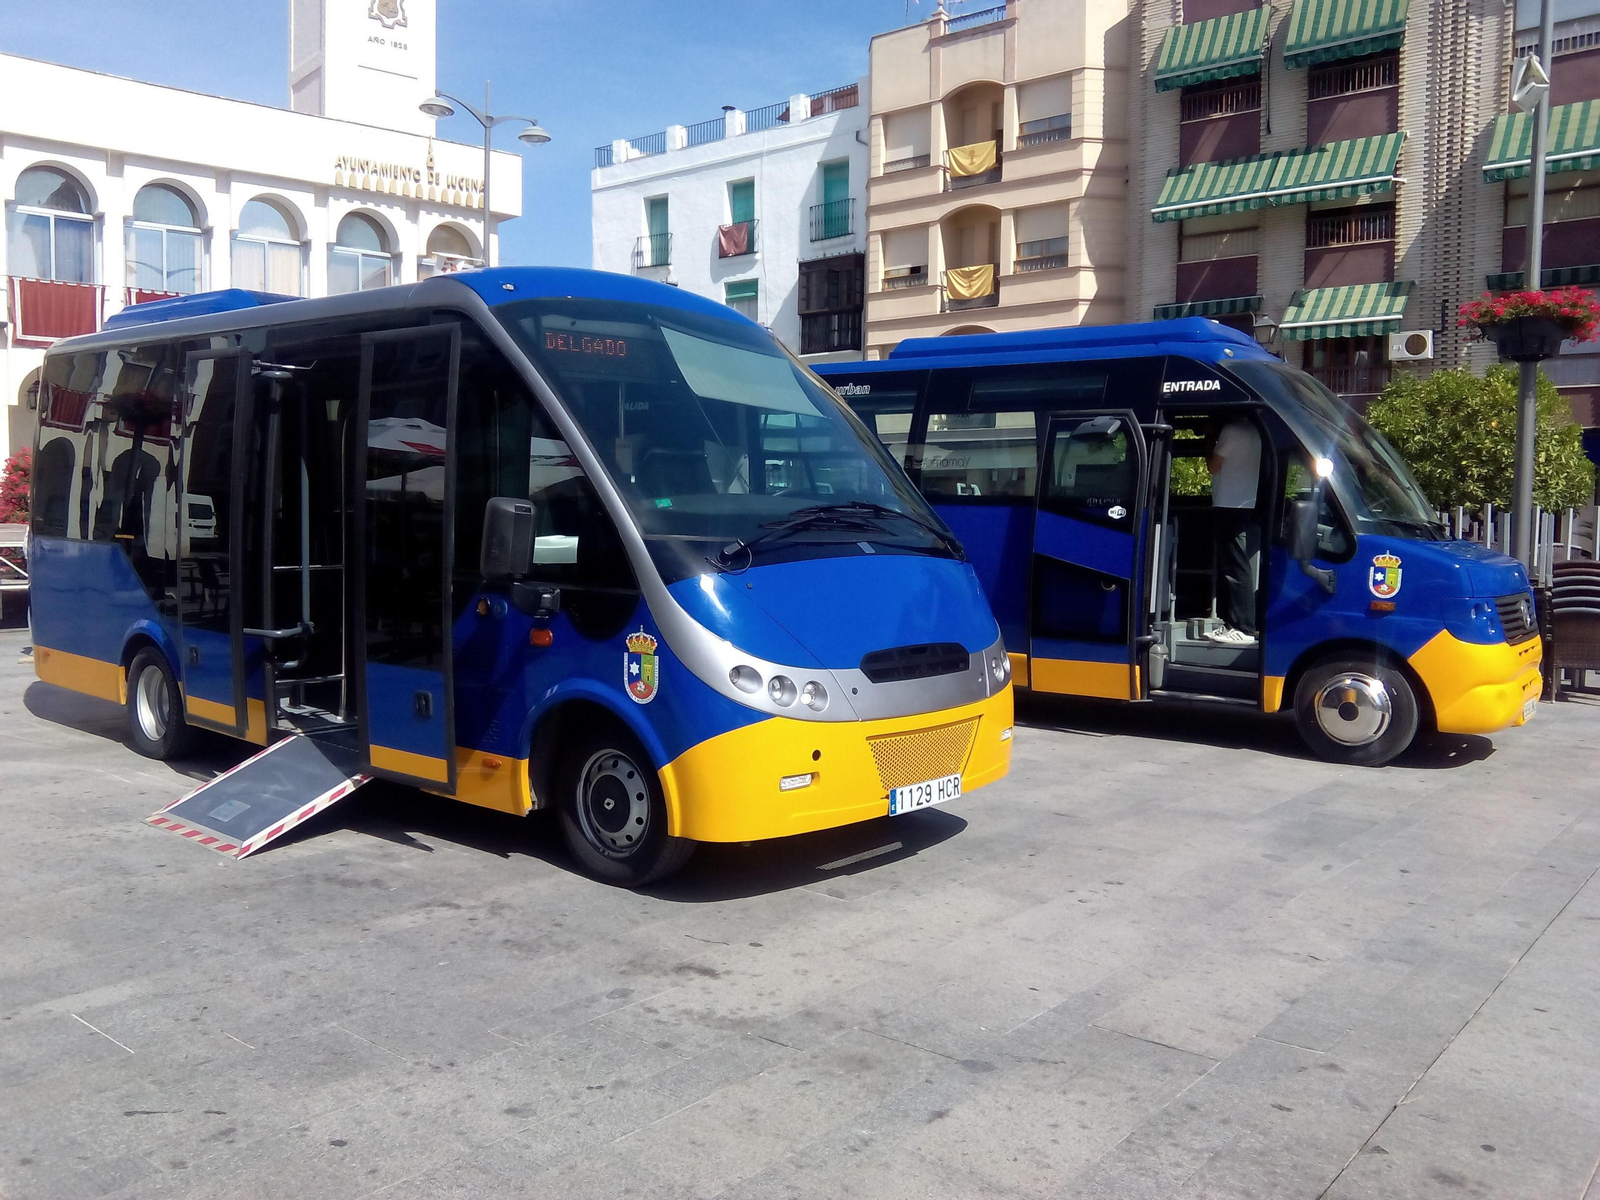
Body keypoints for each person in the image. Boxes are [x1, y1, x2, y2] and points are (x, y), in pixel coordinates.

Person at [1206, 416, 1260, 644]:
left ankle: (1243, 626)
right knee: (1235, 565)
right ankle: (1231, 623)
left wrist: (1209, 442)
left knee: (1235, 567)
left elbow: (1213, 465)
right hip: (1245, 502)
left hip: (1228, 502)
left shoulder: (1231, 428)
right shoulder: (1254, 430)